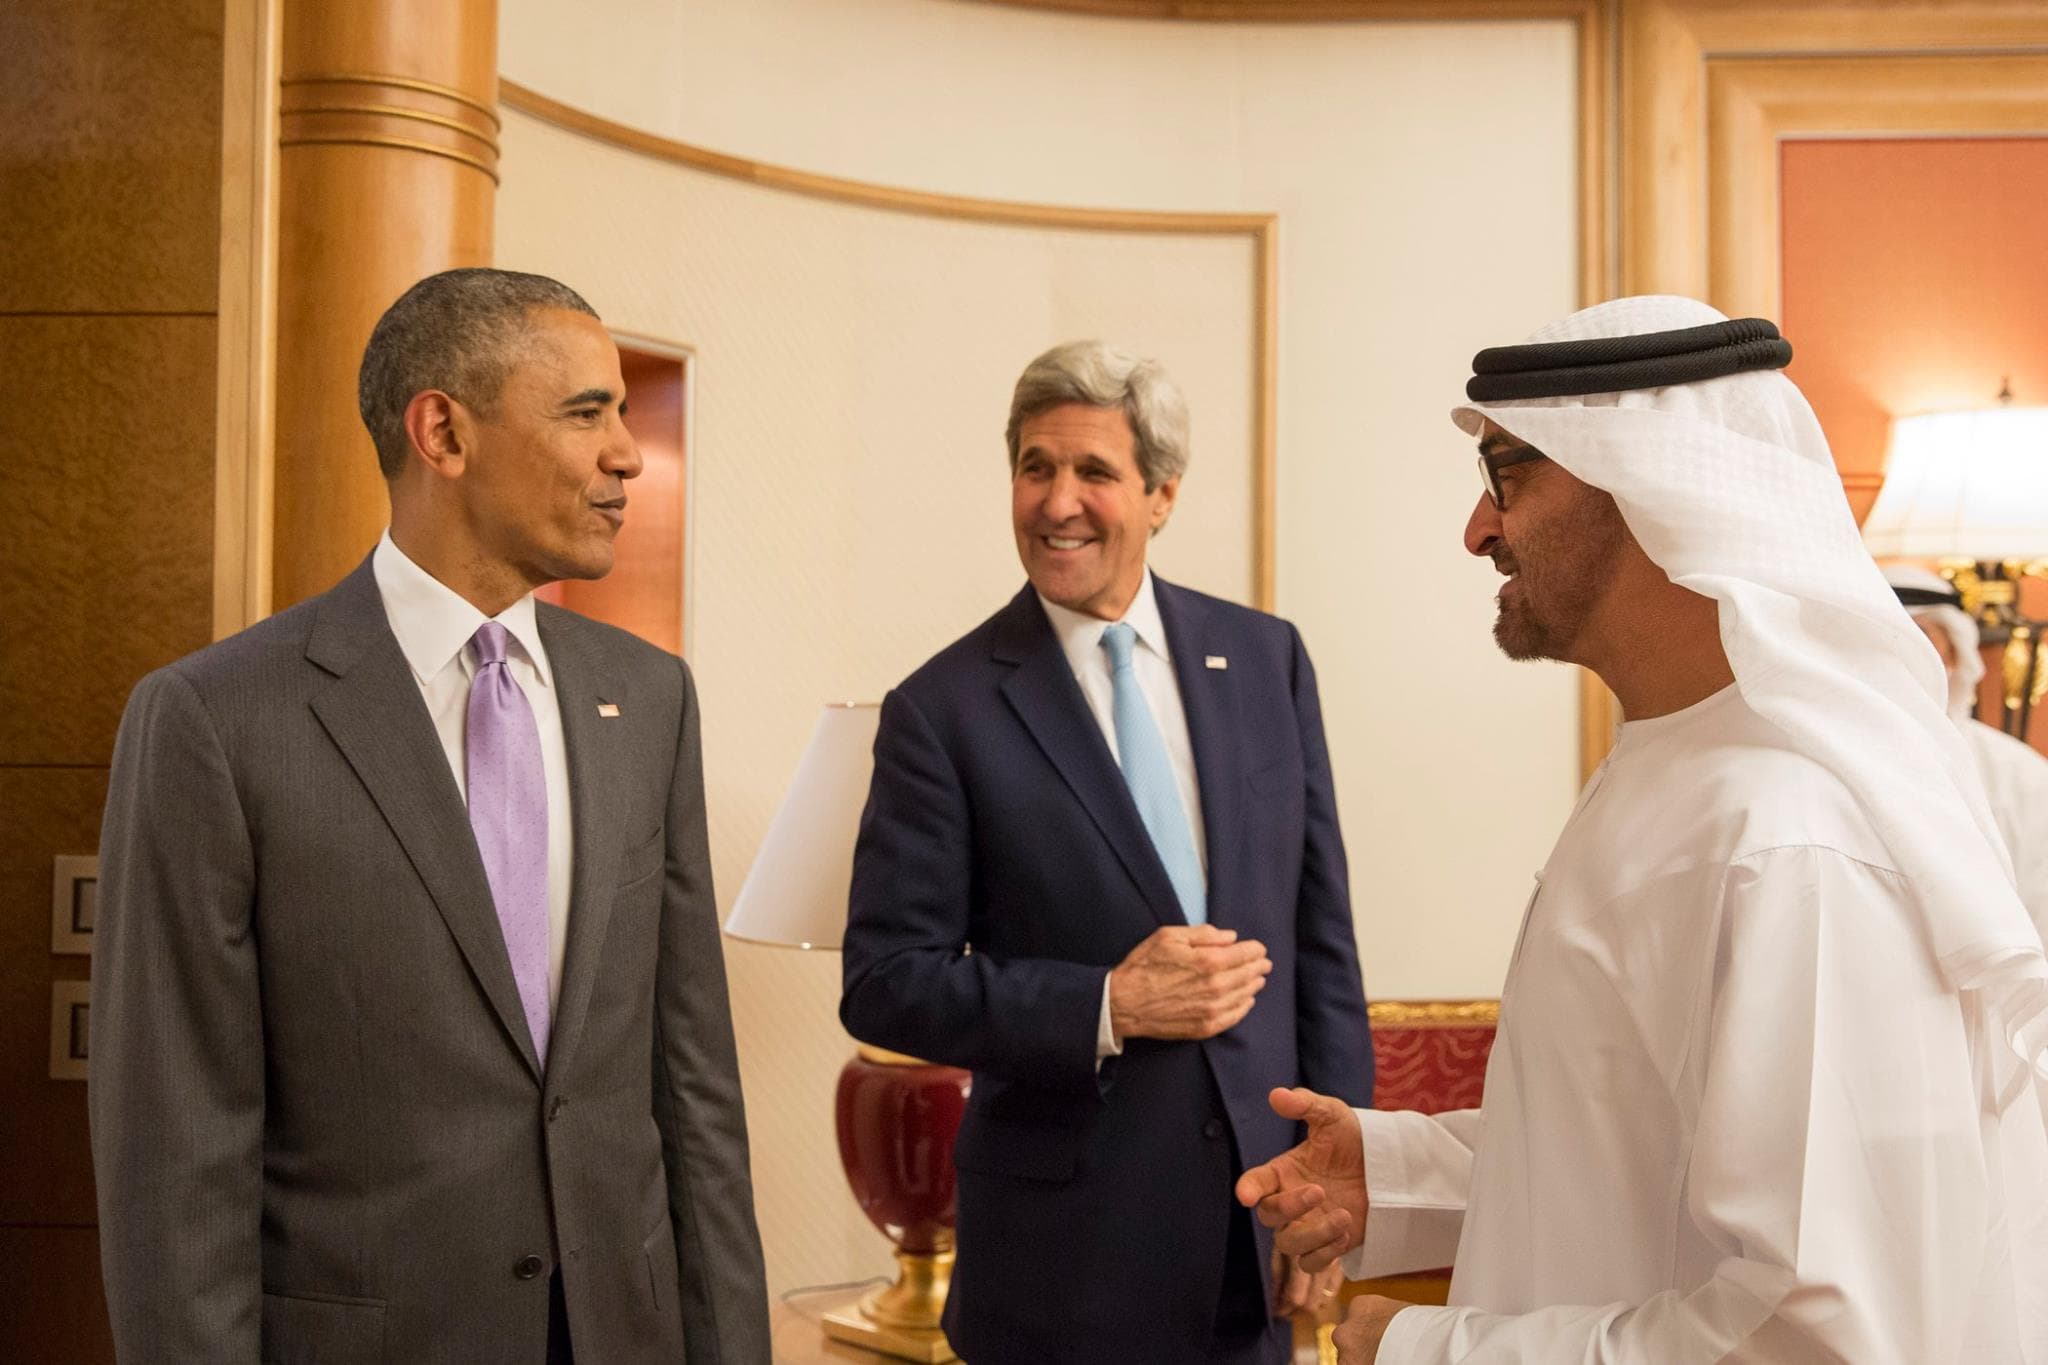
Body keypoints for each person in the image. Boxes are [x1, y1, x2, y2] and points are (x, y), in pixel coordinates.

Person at [1237, 296, 2048, 1362]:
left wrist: (1431, 1350)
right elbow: (1643, 1152)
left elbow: (1815, 1332)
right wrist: (1397, 1176)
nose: (1478, 529)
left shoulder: (1789, 843)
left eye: (1506, 474)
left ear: (1643, 481)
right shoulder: (1680, 768)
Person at [89, 268, 770, 1362]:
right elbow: (177, 1156)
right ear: (442, 433)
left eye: (623, 417)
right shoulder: (213, 721)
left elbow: (692, 1093)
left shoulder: (649, 698)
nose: (627, 456)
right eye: (585, 413)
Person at [840, 340, 1374, 1364]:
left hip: (1251, 1236)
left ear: (1162, 494)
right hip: (1061, 1263)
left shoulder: (1266, 659)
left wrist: (1331, 1182)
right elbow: (884, 984)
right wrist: (1105, 1006)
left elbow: (1320, 944)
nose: (1056, 502)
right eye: (1034, 468)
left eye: (1092, 472)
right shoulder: (940, 710)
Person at [1887, 563, 2048, 945]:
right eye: (1887, 641)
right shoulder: (1814, 766)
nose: (1903, 658)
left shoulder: (2018, 774)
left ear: (1956, 654)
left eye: (1921, 639)